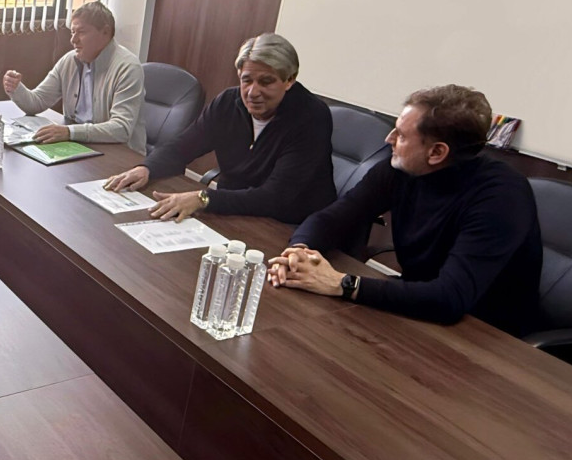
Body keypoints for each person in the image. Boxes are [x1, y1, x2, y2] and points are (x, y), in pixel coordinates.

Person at [269, 85, 542, 336]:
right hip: (415, 308)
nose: (388, 139)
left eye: (400, 135)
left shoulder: (501, 196)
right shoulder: (400, 168)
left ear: (436, 152)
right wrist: (299, 251)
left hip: (485, 337)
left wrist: (341, 283)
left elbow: (450, 297)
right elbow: (333, 217)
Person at [104, 33, 335, 223]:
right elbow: (183, 147)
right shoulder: (228, 103)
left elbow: (276, 197)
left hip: (289, 226)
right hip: (232, 213)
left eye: (266, 82)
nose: (253, 92)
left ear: (289, 80)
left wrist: (203, 199)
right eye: (247, 80)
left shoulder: (311, 117)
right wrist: (146, 168)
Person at [3, 1, 146, 154]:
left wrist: (69, 132)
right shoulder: (69, 60)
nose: (73, 40)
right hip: (80, 145)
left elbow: (121, 129)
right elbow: (36, 102)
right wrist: (16, 89)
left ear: (105, 32)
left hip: (120, 155)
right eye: (72, 32)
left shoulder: (128, 68)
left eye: (81, 32)